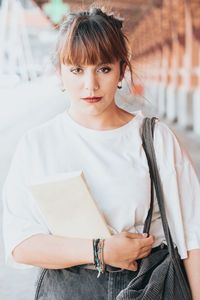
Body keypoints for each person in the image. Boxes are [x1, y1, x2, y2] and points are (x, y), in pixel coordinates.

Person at [2, 6, 200, 300]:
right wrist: (101, 251)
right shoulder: (37, 145)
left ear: (122, 69)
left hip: (148, 287)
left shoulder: (156, 139)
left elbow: (192, 238)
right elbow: (20, 244)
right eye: (77, 70)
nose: (90, 85)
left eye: (103, 69)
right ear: (60, 72)